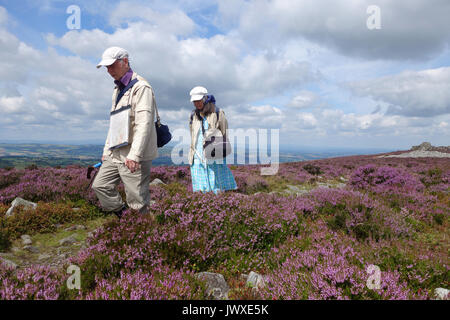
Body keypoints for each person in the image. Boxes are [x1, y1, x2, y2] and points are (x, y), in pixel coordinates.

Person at [92, 46, 158, 219]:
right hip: (115, 151)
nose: (109, 71)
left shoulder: (141, 87)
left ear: (125, 62)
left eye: (112, 65)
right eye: (106, 67)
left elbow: (144, 124)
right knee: (100, 185)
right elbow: (114, 123)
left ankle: (143, 234)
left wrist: (135, 155)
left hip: (133, 153)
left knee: (137, 199)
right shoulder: (118, 89)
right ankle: (125, 217)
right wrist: (106, 152)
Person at [188, 86, 237, 194]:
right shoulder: (193, 115)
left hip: (214, 151)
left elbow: (224, 132)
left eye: (198, 100)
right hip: (197, 153)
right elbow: (192, 134)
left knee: (215, 179)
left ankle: (217, 202)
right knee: (200, 181)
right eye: (194, 101)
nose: (197, 103)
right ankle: (202, 202)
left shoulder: (218, 112)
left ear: (205, 98)